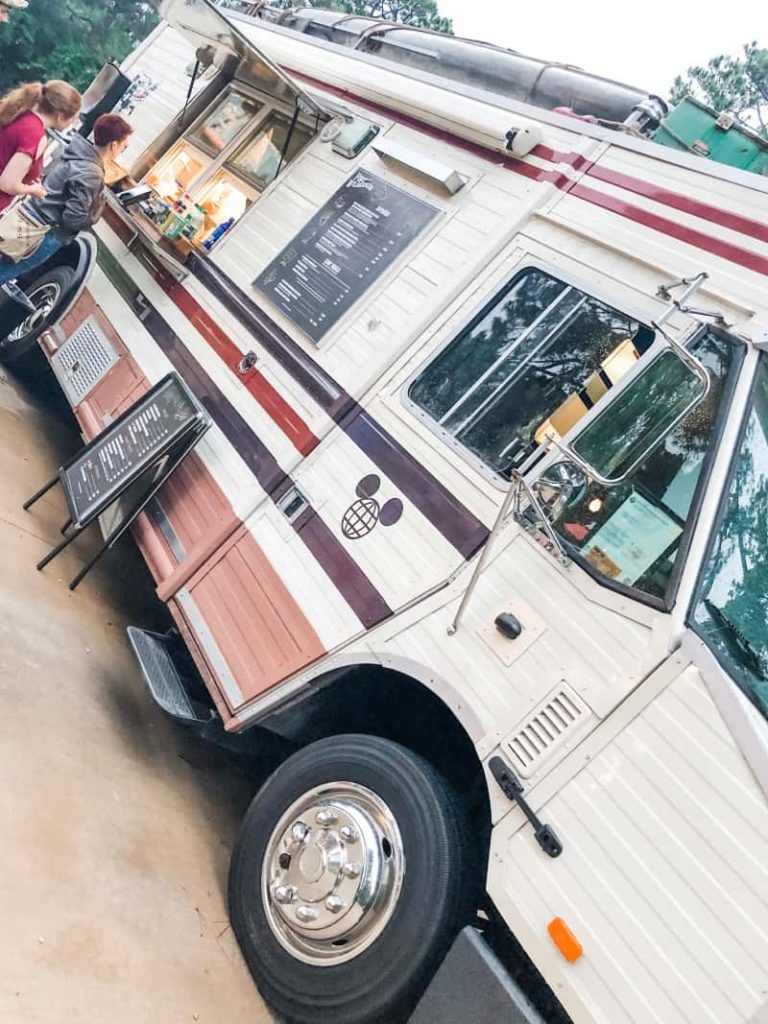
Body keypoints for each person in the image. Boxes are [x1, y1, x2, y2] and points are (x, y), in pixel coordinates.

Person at [0, 113, 133, 287]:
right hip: (41, 234)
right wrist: (95, 215)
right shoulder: (92, 173)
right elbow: (72, 218)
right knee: (5, 273)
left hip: (23, 218)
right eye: (124, 146)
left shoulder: (74, 151)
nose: (123, 150)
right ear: (114, 145)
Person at [0, 80, 82, 213]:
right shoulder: (36, 136)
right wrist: (33, 190)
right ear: (60, 116)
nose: (74, 123)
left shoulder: (18, 113)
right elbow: (7, 183)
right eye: (74, 118)